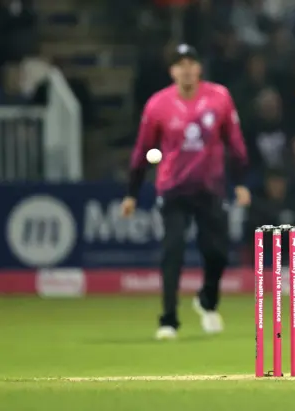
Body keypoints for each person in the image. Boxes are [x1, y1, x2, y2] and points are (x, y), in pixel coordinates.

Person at [120, 44, 250, 340]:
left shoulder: (219, 97)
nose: (186, 68)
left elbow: (236, 143)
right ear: (172, 71)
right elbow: (141, 150)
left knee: (216, 253)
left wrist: (240, 182)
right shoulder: (157, 104)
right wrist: (131, 193)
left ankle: (207, 301)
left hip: (210, 188)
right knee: (172, 252)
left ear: (199, 67)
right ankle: (168, 320)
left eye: (191, 62)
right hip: (173, 189)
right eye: (180, 63)